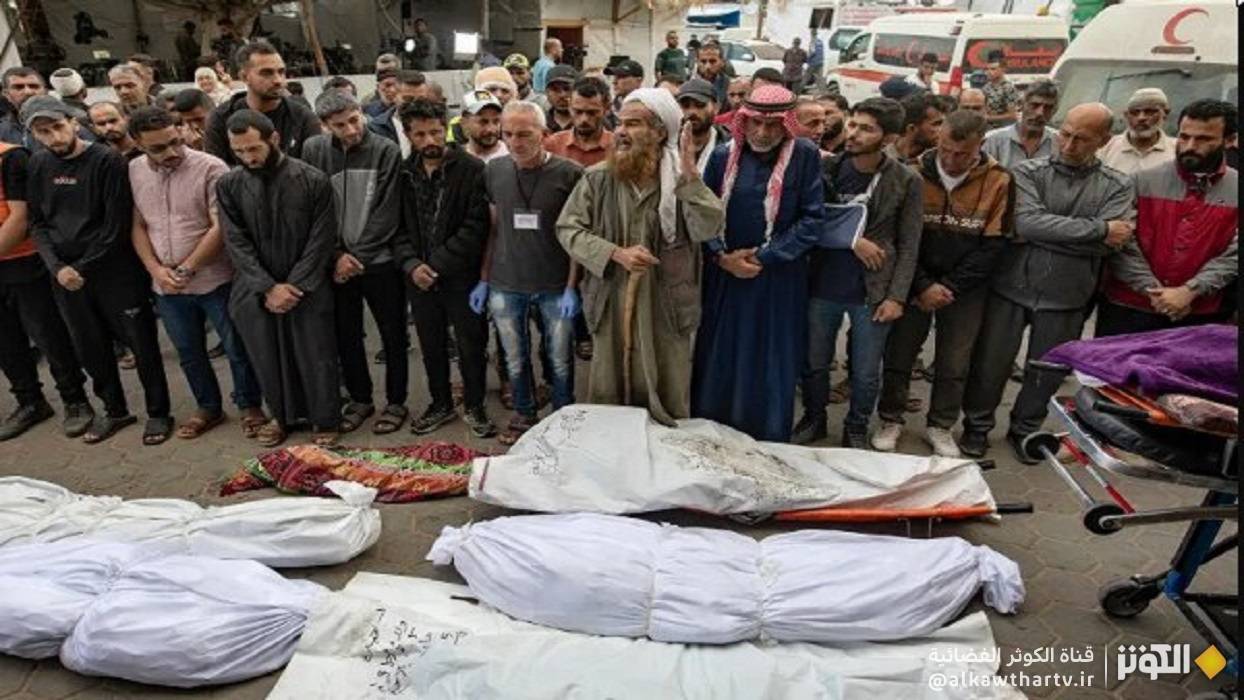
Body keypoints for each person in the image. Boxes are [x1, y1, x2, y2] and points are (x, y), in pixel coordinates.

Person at [960, 103, 1132, 461]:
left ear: (1103, 141)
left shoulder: (1117, 185)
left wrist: (1047, 232)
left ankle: (1026, 429)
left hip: (1068, 293)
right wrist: (1098, 229)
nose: (1068, 145)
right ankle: (976, 426)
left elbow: (1112, 244)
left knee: (1048, 370)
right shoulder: (1027, 171)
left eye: (1081, 139)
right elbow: (1025, 223)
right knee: (991, 362)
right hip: (1011, 285)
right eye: (1065, 134)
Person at [557, 88, 723, 423]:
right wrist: (614, 253)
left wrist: (692, 180)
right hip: (611, 299)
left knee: (668, 392)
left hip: (666, 305)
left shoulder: (682, 180)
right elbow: (567, 228)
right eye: (620, 123)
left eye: (633, 124)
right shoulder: (598, 178)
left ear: (660, 132)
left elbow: (708, 228)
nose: (620, 131)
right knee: (609, 396)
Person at [23, 96, 172, 445]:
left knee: (142, 344)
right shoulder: (39, 163)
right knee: (90, 346)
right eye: (43, 131)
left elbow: (115, 224)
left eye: (58, 126)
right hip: (66, 278)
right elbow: (37, 222)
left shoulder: (107, 160)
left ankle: (158, 412)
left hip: (115, 272)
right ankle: (114, 410)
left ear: (74, 123)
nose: (54, 136)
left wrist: (81, 266)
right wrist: (57, 267)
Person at [872, 110, 1013, 456]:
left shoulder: (999, 179)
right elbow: (899, 236)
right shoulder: (911, 172)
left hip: (965, 287)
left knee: (954, 361)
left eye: (962, 154)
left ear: (980, 145)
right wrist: (922, 285)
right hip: (912, 280)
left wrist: (949, 287)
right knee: (899, 354)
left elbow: (995, 244)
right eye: (946, 149)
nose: (951, 160)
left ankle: (941, 425)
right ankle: (890, 418)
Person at [694, 85, 826, 443]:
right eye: (755, 123)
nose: (763, 133)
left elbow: (813, 220)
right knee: (721, 355)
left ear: (787, 124)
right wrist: (721, 256)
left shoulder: (805, 155)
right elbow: (701, 214)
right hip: (725, 276)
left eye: (772, 125)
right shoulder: (722, 156)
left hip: (778, 278)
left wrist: (764, 256)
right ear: (743, 121)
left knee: (771, 358)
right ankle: (714, 436)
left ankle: (765, 439)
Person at [126, 106, 266, 440]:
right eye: (158, 148)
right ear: (138, 144)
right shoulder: (134, 169)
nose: (172, 152)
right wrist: (156, 270)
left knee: (237, 348)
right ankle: (208, 407)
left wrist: (188, 267)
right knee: (188, 352)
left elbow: (221, 226)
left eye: (176, 141)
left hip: (216, 279)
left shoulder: (211, 167)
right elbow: (138, 224)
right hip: (167, 286)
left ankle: (249, 405)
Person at [792, 97, 921, 447]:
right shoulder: (824, 168)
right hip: (822, 283)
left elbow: (910, 243)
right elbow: (806, 221)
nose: (853, 134)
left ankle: (857, 427)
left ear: (889, 138)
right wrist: (851, 240)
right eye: (852, 124)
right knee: (814, 363)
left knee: (865, 372)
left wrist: (896, 297)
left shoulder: (905, 180)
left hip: (873, 291)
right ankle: (814, 418)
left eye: (867, 129)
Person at [217, 109, 340, 448]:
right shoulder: (229, 184)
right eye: (239, 151)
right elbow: (235, 240)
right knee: (266, 355)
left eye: (253, 149)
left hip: (307, 285)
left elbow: (321, 238)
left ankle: (325, 419)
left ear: (273, 139)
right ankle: (282, 418)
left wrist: (294, 286)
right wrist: (268, 287)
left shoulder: (312, 179)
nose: (248, 158)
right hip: (255, 286)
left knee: (315, 353)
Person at [298, 92, 408, 435]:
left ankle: (396, 401)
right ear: (324, 125)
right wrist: (336, 255)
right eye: (339, 125)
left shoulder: (385, 149)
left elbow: (387, 212)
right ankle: (361, 399)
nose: (350, 130)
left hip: (379, 262)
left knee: (393, 334)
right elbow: (312, 208)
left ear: (361, 112)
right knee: (346, 335)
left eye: (354, 120)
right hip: (335, 264)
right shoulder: (313, 150)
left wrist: (356, 256)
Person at [474, 101, 584, 444]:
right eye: (508, 134)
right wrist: (484, 279)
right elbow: (493, 229)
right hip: (506, 282)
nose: (514, 142)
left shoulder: (570, 174)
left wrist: (572, 286)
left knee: (560, 358)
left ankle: (564, 415)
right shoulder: (493, 171)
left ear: (544, 134)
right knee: (514, 356)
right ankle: (524, 411)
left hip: (554, 283)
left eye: (524, 134)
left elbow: (577, 235)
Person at [1098, 98, 1238, 336]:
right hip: (1129, 308)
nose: (1190, 146)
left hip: (1201, 312)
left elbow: (1233, 255)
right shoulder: (1140, 181)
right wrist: (1155, 292)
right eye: (1184, 136)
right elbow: (1121, 242)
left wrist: (1190, 291)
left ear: (1229, 140)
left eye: (1203, 139)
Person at [395, 99, 493, 436]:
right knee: (431, 344)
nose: (430, 141)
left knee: (471, 344)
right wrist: (412, 265)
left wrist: (434, 265)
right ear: (408, 135)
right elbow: (396, 228)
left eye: (435, 132)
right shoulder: (403, 172)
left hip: (460, 277)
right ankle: (440, 403)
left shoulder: (472, 169)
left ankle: (475, 405)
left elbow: (476, 226)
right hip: (418, 279)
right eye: (420, 134)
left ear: (446, 128)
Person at [0, 117, 93, 441]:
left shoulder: (11, 157)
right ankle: (30, 402)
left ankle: (75, 400)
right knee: (6, 342)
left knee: (48, 335)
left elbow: (21, 218)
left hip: (26, 263)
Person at [203, 41, 321, 166]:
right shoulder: (220, 118)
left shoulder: (303, 117)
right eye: (267, 73)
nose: (278, 80)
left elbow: (313, 172)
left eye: (281, 72)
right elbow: (218, 170)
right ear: (244, 77)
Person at [982, 80, 1058, 171]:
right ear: (1021, 105)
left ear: (1054, 111)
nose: (1040, 113)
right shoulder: (993, 141)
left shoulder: (1060, 142)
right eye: (1034, 105)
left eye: (1048, 108)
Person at [1098, 88, 1176, 175]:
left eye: (1149, 112)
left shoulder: (1177, 150)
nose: (1141, 118)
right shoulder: (1105, 149)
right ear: (1126, 115)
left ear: (1165, 114)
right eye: (1134, 112)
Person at [544, 76, 614, 168]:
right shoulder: (552, 145)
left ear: (606, 109)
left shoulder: (617, 147)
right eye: (578, 112)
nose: (584, 119)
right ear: (569, 106)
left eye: (592, 113)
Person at [367, 70, 435, 157]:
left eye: (420, 100)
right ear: (394, 96)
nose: (414, 104)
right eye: (408, 99)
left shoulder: (437, 123)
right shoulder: (376, 128)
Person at [677, 78, 731, 173]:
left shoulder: (729, 147)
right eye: (686, 106)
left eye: (700, 105)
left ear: (716, 107)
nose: (692, 112)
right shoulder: (669, 144)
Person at [890, 91, 945, 166]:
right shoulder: (882, 159)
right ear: (911, 129)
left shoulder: (939, 162)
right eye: (936, 124)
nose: (942, 130)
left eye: (943, 124)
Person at [0, 68, 45, 146]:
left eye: (34, 86)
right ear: (6, 94)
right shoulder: (2, 130)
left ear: (44, 91)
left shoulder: (66, 120)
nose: (28, 92)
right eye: (19, 87)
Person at [461, 90, 508, 163]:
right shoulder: (455, 160)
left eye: (496, 121)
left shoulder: (514, 156)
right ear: (464, 123)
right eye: (483, 122)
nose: (491, 129)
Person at [981, 51, 1020, 128]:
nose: (989, 72)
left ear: (1003, 69)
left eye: (993, 69)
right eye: (987, 69)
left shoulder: (1008, 88)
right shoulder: (986, 87)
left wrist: (990, 118)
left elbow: (1012, 115)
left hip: (1002, 128)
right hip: (987, 128)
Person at [695, 43, 731, 109]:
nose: (707, 66)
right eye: (703, 61)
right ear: (697, 62)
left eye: (712, 61)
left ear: (722, 62)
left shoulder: (730, 86)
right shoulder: (688, 85)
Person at [544, 65, 578, 133]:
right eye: (555, 89)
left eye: (567, 89)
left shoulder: (588, 123)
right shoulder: (540, 123)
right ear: (546, 92)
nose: (562, 95)